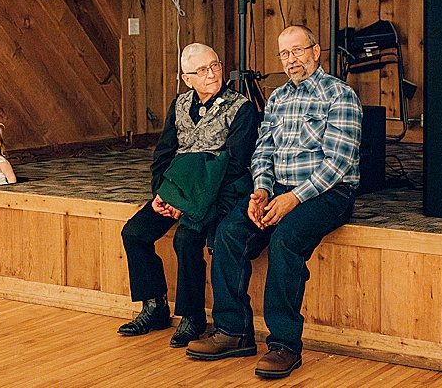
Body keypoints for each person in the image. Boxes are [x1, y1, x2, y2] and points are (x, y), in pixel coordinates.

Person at [186, 26, 361, 379]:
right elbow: (263, 149)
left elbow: (338, 163)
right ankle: (234, 332)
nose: (291, 60)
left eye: (297, 51)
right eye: (284, 54)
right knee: (228, 233)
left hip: (328, 191)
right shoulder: (278, 98)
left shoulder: (340, 95)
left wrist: (292, 200)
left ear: (316, 51)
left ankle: (284, 345)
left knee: (285, 241)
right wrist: (262, 191)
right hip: (279, 188)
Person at [118, 43, 258, 349]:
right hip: (176, 190)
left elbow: (234, 165)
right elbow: (163, 155)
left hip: (219, 192)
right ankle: (154, 307)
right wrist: (161, 195)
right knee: (134, 232)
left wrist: (186, 203)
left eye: (216, 66)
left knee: (186, 239)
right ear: (187, 78)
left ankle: (193, 317)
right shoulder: (179, 104)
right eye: (203, 70)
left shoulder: (242, 108)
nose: (212, 74)